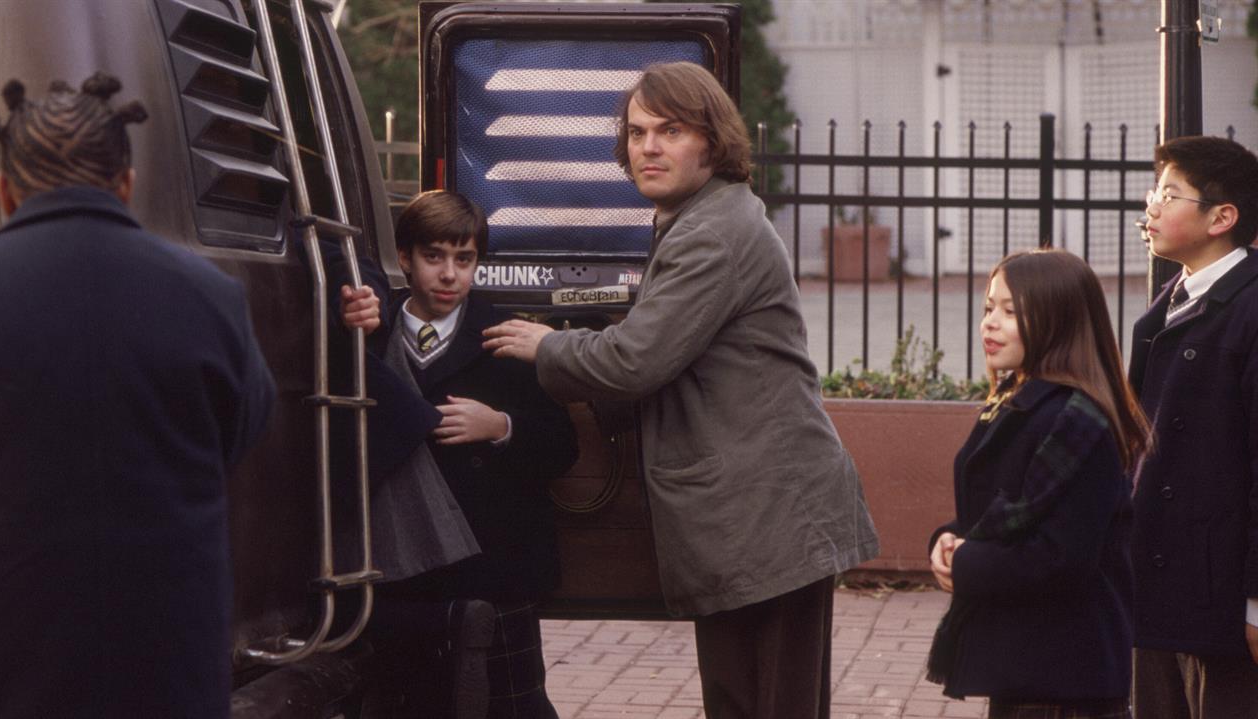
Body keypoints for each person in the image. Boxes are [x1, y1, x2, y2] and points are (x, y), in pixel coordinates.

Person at [482, 61, 879, 719]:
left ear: (713, 141)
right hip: (755, 515)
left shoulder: (713, 232)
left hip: (770, 514)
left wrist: (545, 346)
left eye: (670, 131)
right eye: (637, 132)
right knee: (741, 699)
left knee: (766, 704)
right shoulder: (698, 218)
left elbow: (636, 361)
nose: (649, 147)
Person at [0, 74, 275, 717]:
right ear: (126, 183)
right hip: (167, 660)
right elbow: (242, 431)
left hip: (2, 658)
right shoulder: (212, 296)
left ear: (5, 191)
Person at [340, 190, 578, 718]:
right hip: (401, 570)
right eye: (434, 257)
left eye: (464, 259)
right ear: (405, 258)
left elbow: (562, 446)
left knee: (509, 706)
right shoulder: (372, 333)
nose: (449, 274)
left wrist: (500, 426)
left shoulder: (506, 337)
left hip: (494, 569)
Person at [926, 249, 1152, 719]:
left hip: (1066, 674)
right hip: (1029, 663)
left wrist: (966, 561)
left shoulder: (1075, 421)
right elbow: (1002, 510)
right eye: (989, 307)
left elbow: (1061, 557)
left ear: (1058, 320)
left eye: (1011, 311)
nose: (990, 323)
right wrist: (948, 539)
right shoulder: (1021, 400)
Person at [1127, 136, 1258, 719]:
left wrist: (1256, 603)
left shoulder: (1250, 307)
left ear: (1221, 218)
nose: (1151, 207)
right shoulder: (1171, 301)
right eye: (1155, 192)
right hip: (1158, 579)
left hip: (1220, 593)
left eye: (1170, 194)